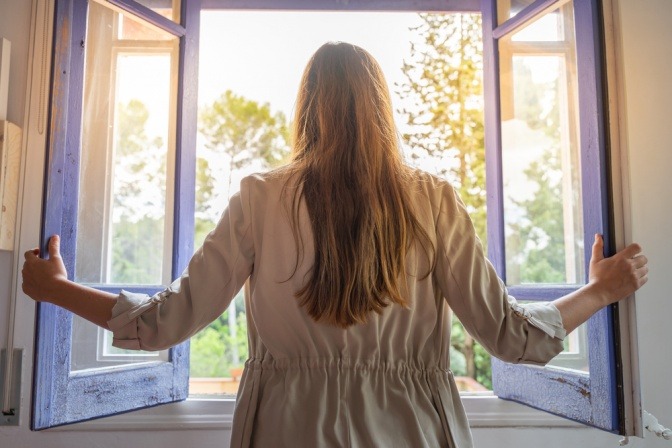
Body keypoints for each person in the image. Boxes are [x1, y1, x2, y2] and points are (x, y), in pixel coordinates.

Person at [22, 42, 648, 447]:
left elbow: (164, 324)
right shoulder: (432, 201)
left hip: (284, 433)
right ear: (383, 109)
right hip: (414, 433)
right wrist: (602, 289)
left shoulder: (259, 197)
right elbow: (512, 337)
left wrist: (54, 289)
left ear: (305, 110)